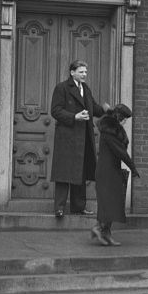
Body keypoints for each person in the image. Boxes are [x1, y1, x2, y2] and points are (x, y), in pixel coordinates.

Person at [50, 59, 106, 218]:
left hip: (83, 137)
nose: (84, 75)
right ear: (72, 72)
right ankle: (59, 208)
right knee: (63, 173)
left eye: (85, 72)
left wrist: (107, 111)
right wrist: (74, 116)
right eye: (81, 72)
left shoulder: (86, 89)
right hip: (66, 138)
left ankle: (79, 207)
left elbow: (93, 108)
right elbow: (55, 111)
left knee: (80, 173)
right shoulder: (62, 88)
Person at [91, 104, 140, 247]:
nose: (125, 122)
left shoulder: (112, 130)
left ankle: (106, 233)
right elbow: (120, 152)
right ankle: (99, 228)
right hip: (106, 171)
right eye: (124, 119)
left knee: (112, 202)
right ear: (119, 117)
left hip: (112, 170)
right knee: (108, 203)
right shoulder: (109, 132)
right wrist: (133, 167)